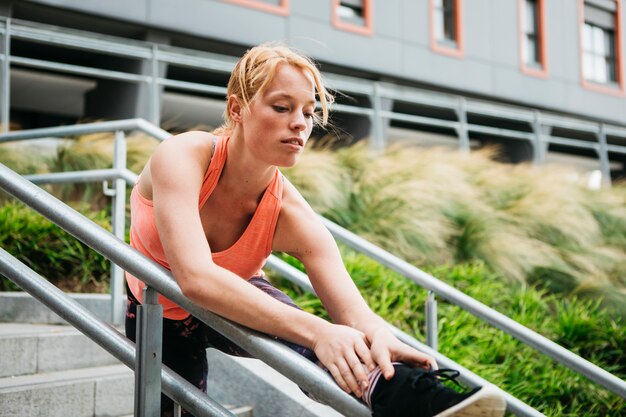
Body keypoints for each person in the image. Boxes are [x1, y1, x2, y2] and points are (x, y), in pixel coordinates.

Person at [124, 42, 506, 417]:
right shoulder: (184, 156)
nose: (300, 124)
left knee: (322, 348)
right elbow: (196, 277)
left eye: (308, 112)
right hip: (157, 308)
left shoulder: (290, 213)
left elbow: (353, 313)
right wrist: (319, 332)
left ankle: (411, 395)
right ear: (237, 109)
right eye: (282, 107)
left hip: (235, 293)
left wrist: (382, 339)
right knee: (176, 405)